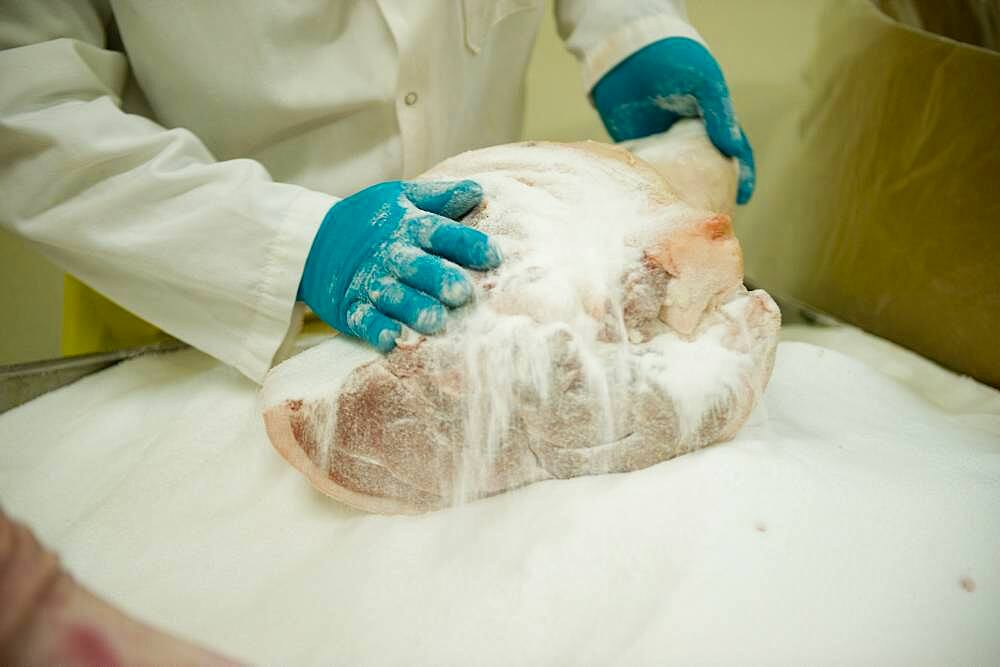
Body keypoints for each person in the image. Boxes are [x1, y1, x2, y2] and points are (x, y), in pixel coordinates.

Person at [0, 1, 753, 383]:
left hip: (475, 301)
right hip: (191, 310)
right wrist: (290, 245)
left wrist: (630, 26)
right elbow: (24, 101)